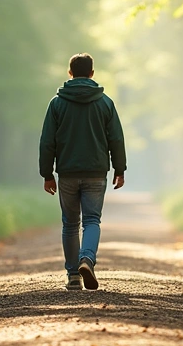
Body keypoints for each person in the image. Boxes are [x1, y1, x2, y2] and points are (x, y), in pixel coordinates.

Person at [39, 53, 126, 291]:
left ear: (70, 73)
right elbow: (116, 139)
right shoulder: (105, 102)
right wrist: (120, 168)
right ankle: (87, 259)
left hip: (66, 172)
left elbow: (47, 141)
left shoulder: (56, 103)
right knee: (91, 220)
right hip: (96, 172)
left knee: (70, 224)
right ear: (92, 73)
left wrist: (47, 174)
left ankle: (73, 276)